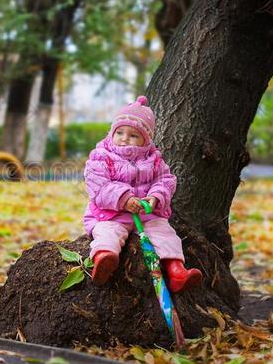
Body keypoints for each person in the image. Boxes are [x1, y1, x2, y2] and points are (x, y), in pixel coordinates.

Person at [83, 95, 202, 292]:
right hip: (112, 214)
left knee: (165, 234)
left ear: (145, 140)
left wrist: (155, 198)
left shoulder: (154, 160)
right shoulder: (101, 157)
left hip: (145, 214)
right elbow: (98, 185)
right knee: (107, 233)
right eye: (119, 132)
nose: (124, 139)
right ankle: (104, 259)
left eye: (133, 135)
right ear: (111, 133)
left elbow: (166, 181)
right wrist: (124, 199)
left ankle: (176, 271)